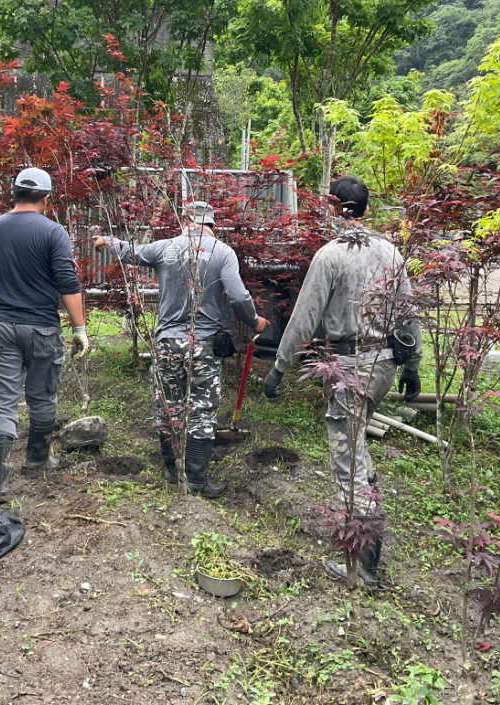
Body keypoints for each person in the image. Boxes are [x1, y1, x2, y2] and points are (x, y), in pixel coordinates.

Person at [263, 175, 422, 587]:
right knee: (358, 445)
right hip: (385, 364)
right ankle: (370, 548)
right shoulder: (392, 252)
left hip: (349, 367)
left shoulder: (330, 255)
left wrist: (279, 368)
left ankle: (364, 563)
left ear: (335, 207)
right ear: (366, 209)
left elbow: (304, 318)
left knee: (348, 460)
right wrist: (413, 366)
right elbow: (407, 312)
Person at [94, 202, 268, 497]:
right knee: (201, 411)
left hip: (166, 343)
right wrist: (254, 321)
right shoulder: (222, 252)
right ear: (212, 225)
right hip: (202, 345)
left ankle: (172, 468)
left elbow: (131, 251)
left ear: (186, 221)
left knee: (167, 405)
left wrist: (106, 241)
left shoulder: (165, 248)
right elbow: (238, 295)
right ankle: (197, 481)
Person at [0, 167, 89, 499]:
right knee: (42, 395)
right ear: (46, 197)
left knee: (2, 401)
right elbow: (68, 284)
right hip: (41, 328)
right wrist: (79, 328)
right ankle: (37, 458)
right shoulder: (53, 232)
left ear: (14, 193)